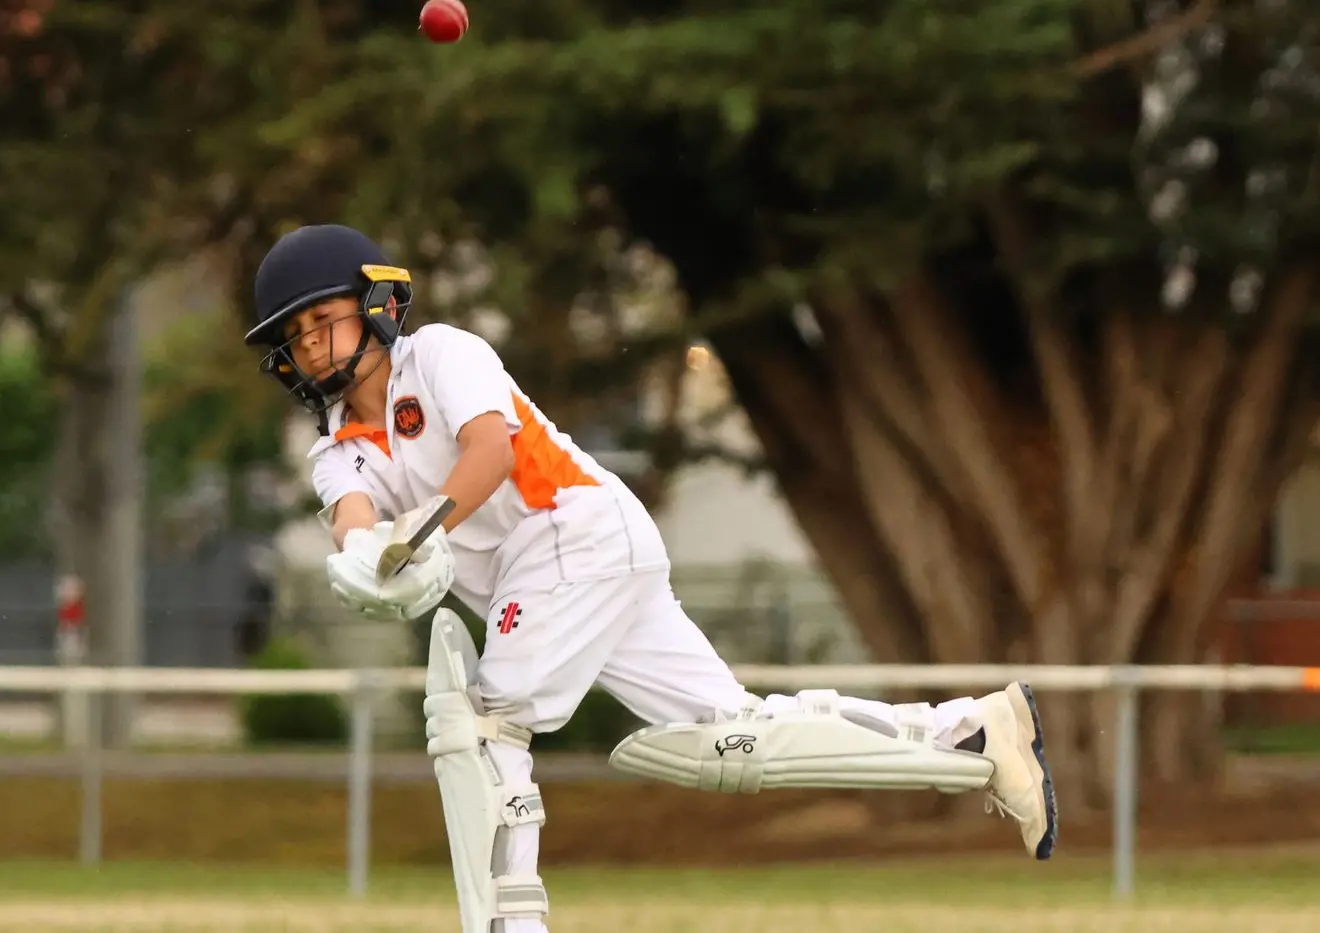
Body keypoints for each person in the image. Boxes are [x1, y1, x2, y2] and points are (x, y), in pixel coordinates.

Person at [245, 224, 1057, 933]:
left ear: (378, 303)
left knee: (485, 726)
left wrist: (413, 537)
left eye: (324, 318)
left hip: (573, 534)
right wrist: (366, 558)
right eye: (297, 333)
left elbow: (489, 454)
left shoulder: (443, 355)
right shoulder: (334, 446)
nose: (312, 343)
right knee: (731, 736)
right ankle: (977, 735)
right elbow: (353, 516)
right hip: (575, 568)